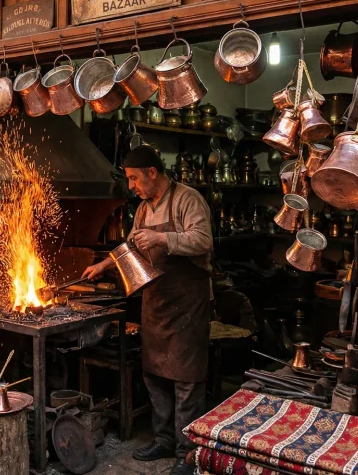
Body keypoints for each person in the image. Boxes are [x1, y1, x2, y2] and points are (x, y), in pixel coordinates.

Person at [82, 146, 213, 475]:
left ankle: (188, 453)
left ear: (152, 173)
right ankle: (164, 439)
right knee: (154, 373)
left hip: (187, 301)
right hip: (156, 301)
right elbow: (130, 247)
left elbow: (203, 240)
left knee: (186, 379)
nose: (131, 186)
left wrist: (161, 238)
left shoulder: (188, 199)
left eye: (134, 178)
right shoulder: (142, 208)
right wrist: (103, 265)